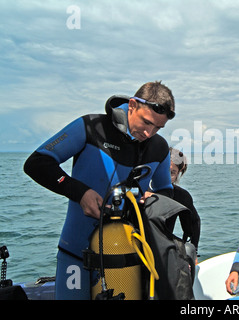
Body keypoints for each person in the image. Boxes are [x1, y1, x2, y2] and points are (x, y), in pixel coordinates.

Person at [23, 81, 176, 300]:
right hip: (76, 253)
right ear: (132, 105)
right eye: (146, 122)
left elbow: (166, 191)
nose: (149, 132)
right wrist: (79, 192)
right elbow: (37, 163)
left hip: (129, 256)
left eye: (158, 128)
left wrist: (156, 201)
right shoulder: (91, 127)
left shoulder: (159, 148)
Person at [169, 147, 201, 250]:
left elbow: (193, 223)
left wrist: (193, 250)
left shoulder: (180, 196)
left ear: (179, 173)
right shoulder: (142, 191)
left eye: (172, 173)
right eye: (162, 171)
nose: (166, 177)